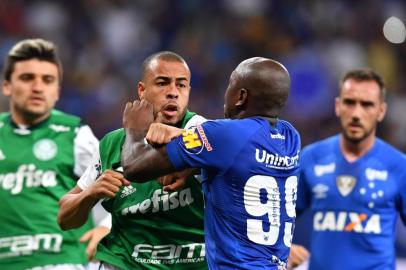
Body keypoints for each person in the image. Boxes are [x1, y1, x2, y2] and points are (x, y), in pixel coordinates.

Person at [121, 57, 301, 269]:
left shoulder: (224, 135)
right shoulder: (291, 137)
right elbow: (236, 159)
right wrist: (191, 158)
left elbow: (134, 167)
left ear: (241, 96)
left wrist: (134, 131)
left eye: (230, 84)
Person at [57, 51, 207, 269]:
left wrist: (186, 154)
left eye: (181, 85)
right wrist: (92, 193)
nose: (173, 92)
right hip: (124, 262)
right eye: (162, 83)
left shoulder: (202, 132)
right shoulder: (112, 143)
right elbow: (64, 217)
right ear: (142, 91)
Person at [0, 38, 107, 269]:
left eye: (47, 80)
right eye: (27, 78)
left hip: (64, 262)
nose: (38, 87)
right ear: (7, 85)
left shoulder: (76, 135)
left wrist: (106, 227)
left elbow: (119, 192)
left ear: (57, 91)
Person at [291, 68, 406, 270]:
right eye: (349, 102)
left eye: (367, 104)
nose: (356, 113)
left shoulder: (399, 166)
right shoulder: (311, 157)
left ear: (381, 111)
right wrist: (283, 248)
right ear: (338, 106)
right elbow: (278, 216)